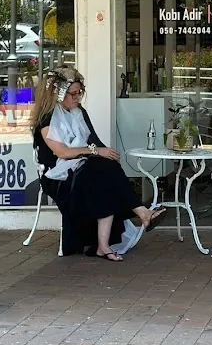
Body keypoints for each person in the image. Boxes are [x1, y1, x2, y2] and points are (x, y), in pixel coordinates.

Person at [30, 68, 166, 261]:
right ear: (58, 94)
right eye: (73, 94)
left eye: (80, 93)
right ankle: (141, 214)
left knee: (107, 170)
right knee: (103, 173)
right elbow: (62, 152)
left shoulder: (79, 112)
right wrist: (95, 151)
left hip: (82, 167)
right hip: (57, 175)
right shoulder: (47, 118)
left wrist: (106, 153)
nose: (77, 98)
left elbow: (94, 141)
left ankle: (105, 245)